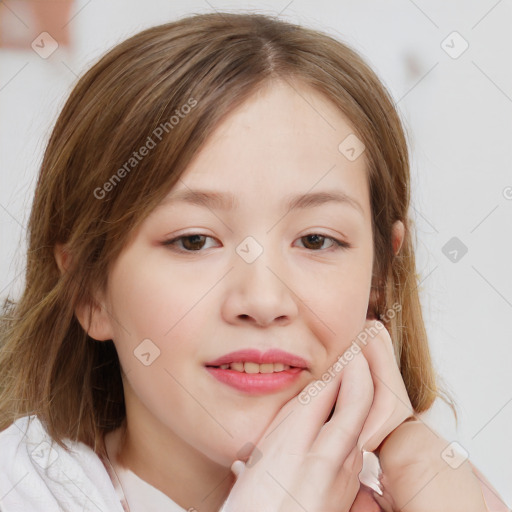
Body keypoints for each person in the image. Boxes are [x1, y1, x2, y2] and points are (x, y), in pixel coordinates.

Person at [0, 11, 508, 512]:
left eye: (315, 240)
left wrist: (417, 464)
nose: (263, 301)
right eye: (194, 241)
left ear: (380, 277)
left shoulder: (446, 494)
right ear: (90, 291)